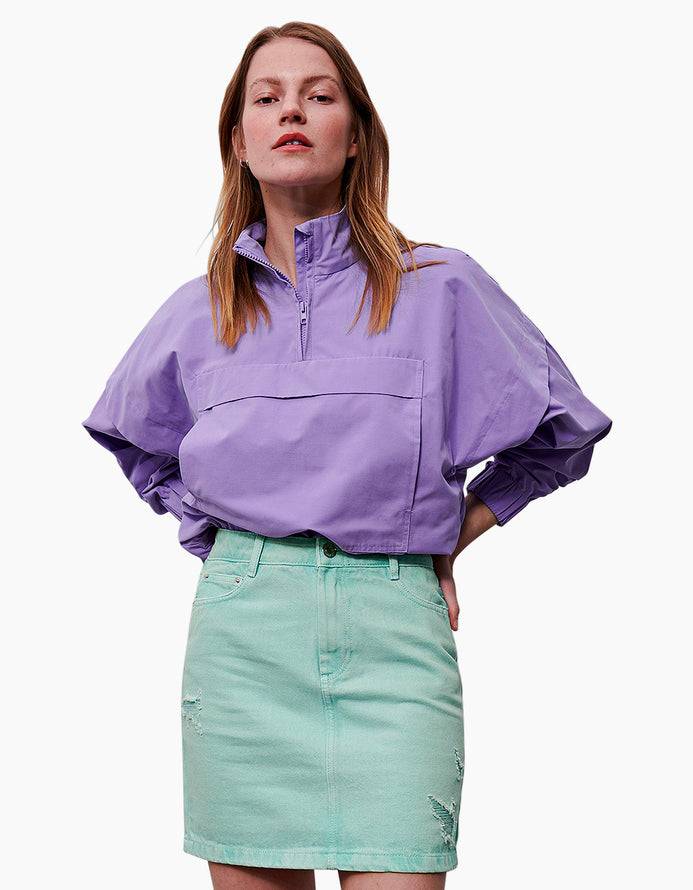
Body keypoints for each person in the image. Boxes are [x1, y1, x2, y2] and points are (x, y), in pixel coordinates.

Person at [81, 20, 613, 890]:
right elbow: (133, 439)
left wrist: (448, 537)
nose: (291, 111)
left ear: (356, 132)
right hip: (244, 646)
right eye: (267, 98)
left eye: (318, 95)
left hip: (394, 636)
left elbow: (562, 429)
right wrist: (227, 546)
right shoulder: (198, 310)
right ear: (239, 142)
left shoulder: (439, 285)